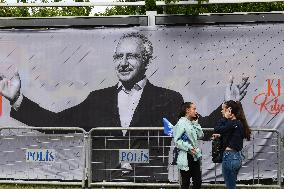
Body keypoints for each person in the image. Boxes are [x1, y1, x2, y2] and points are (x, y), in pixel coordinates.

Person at [0, 32, 249, 182]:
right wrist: (16, 99)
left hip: (149, 183)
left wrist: (230, 105)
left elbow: (202, 130)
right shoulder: (96, 99)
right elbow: (54, 123)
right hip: (103, 182)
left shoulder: (169, 98)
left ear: (146, 61)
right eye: (118, 57)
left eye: (131, 56)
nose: (124, 63)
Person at [212, 100, 251, 189]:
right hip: (237, 157)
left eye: (223, 109)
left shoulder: (233, 123)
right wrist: (221, 136)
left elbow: (217, 128)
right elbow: (233, 136)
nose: (222, 111)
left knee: (231, 187)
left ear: (230, 111)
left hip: (229, 157)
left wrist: (225, 118)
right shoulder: (239, 123)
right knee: (232, 185)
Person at [174, 102, 203, 189]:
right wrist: (189, 148)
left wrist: (195, 122)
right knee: (185, 183)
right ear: (187, 110)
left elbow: (200, 135)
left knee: (197, 182)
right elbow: (177, 141)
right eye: (194, 109)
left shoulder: (192, 122)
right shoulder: (181, 123)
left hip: (194, 155)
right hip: (186, 156)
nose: (196, 111)